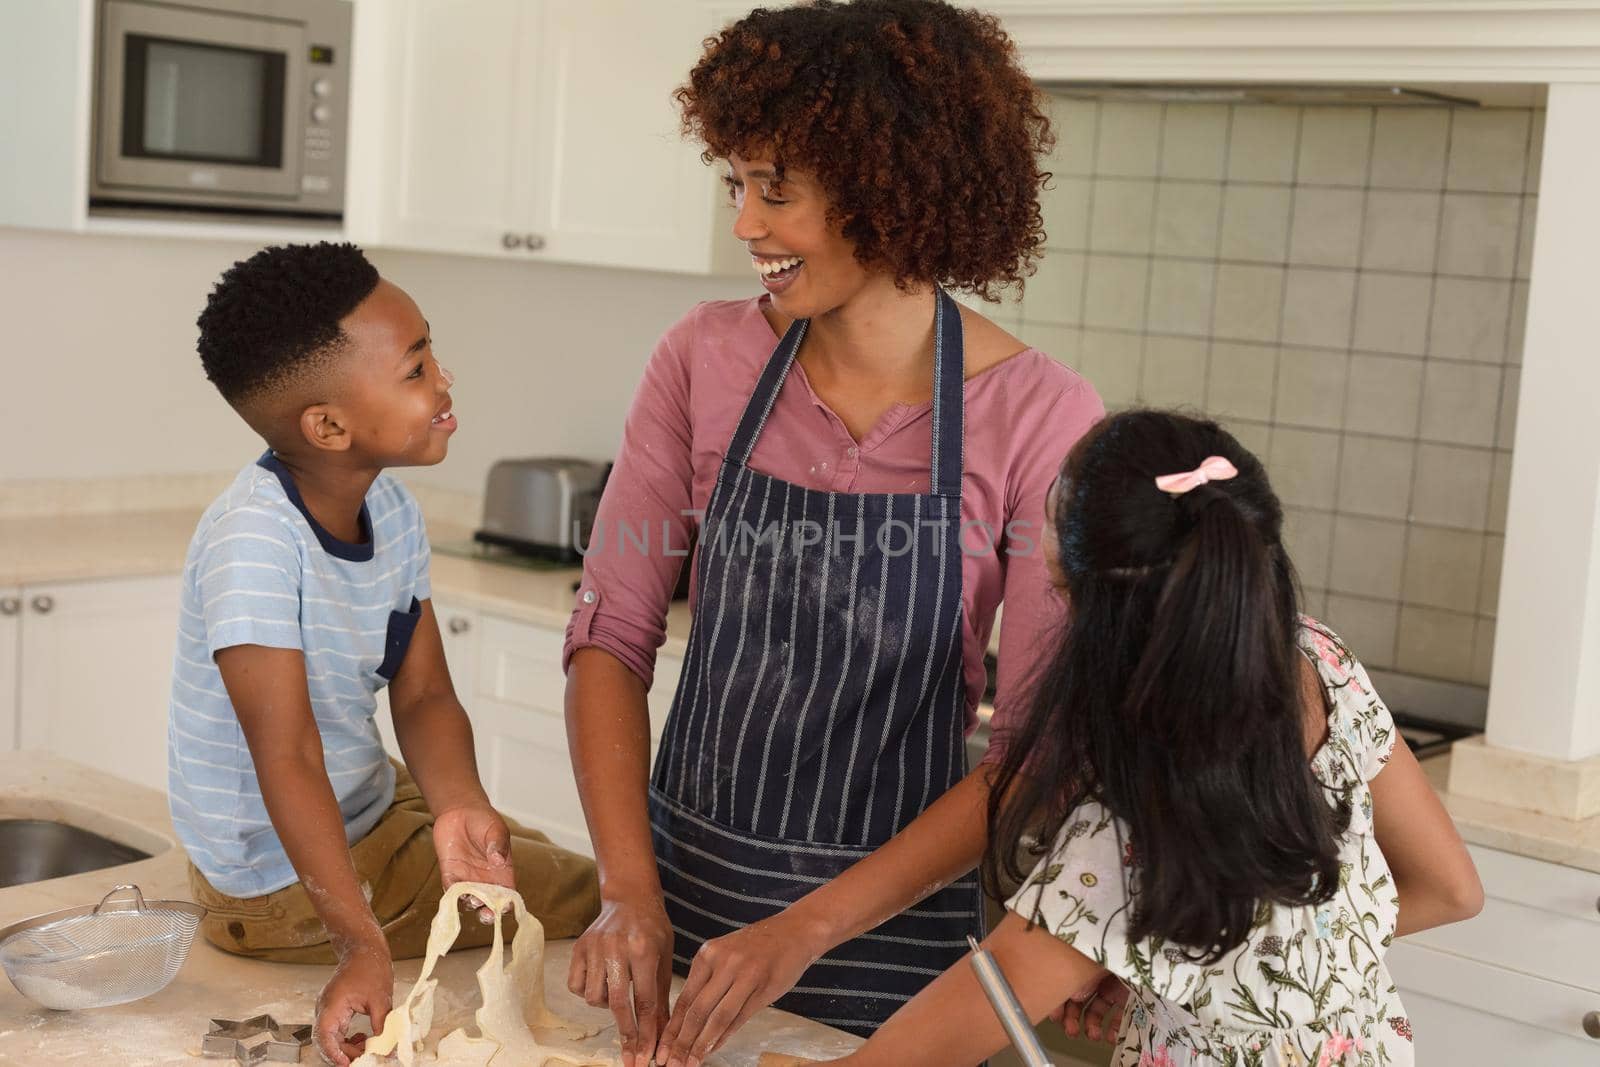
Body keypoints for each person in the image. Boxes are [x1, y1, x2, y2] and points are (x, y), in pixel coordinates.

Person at [560, 3, 1104, 1064]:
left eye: (777, 189)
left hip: (891, 953)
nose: (745, 224)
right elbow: (608, 635)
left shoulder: (1042, 414)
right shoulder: (698, 359)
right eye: (736, 182)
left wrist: (804, 929)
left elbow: (1033, 751)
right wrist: (628, 889)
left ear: (888, 190)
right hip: (675, 909)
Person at [789, 409, 1484, 1067]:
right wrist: (1207, 967)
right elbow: (1452, 890)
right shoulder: (1323, 663)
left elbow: (935, 1032)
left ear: (1089, 607)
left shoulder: (1128, 819)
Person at [171, 242, 600, 1066]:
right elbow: (288, 755)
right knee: (591, 891)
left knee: (516, 852)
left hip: (357, 800)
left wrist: (460, 804)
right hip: (275, 883)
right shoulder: (254, 543)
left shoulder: (391, 509)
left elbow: (426, 697)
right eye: (415, 369)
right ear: (329, 425)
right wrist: (358, 945)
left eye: (431, 350)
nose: (444, 380)